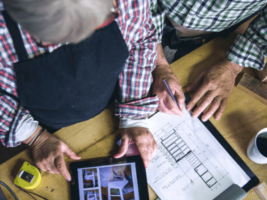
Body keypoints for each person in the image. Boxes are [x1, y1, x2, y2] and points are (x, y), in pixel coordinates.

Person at [0, 0, 159, 181]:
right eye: (56, 42)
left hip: (112, 103)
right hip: (43, 121)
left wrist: (133, 117)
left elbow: (141, 39)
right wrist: (36, 137)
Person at [150, 0, 267, 122]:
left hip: (208, 31)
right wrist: (160, 64)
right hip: (143, 11)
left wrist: (232, 67)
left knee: (184, 76)